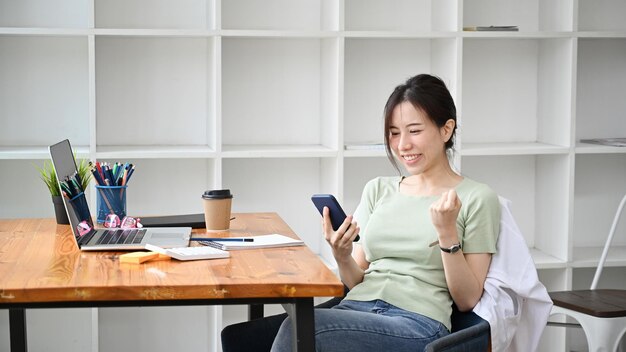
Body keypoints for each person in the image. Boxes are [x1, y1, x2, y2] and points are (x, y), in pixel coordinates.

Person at [222, 74, 501, 352]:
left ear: (446, 130)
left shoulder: (476, 198)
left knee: (300, 330)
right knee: (241, 339)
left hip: (418, 324)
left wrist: (446, 233)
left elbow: (467, 300)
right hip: (357, 308)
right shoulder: (378, 189)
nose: (402, 144)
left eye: (414, 131)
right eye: (394, 132)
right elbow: (355, 280)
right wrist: (341, 255)